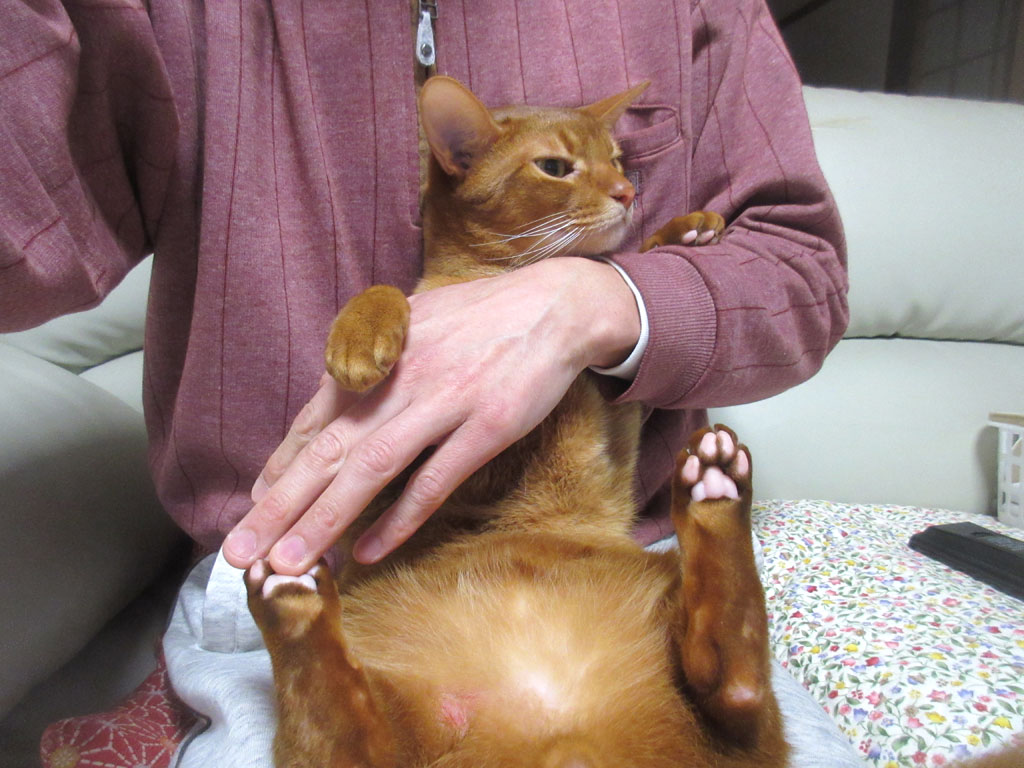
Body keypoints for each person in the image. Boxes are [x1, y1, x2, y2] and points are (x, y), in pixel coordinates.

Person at [2, 1, 852, 765]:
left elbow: (802, 267)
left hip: (616, 568)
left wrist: (613, 299)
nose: (622, 188)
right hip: (330, 569)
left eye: (621, 164)